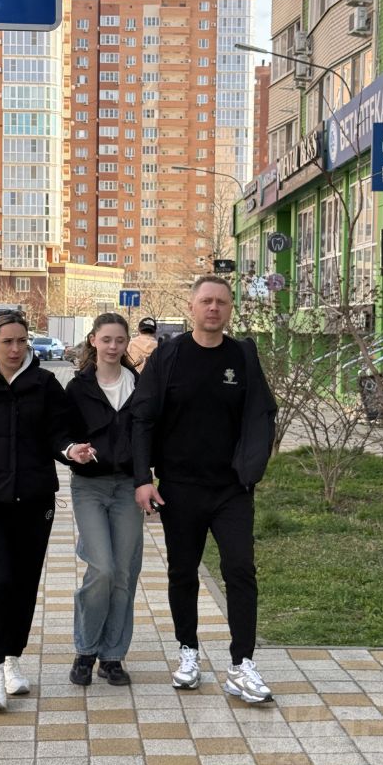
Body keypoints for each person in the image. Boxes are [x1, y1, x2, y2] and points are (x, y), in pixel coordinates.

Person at [131, 275, 277, 703]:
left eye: (222, 302)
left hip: (231, 489)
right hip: (179, 487)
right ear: (191, 307)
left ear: (230, 309)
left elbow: (263, 413)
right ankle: (188, 652)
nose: (214, 308)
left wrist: (253, 467)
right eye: (206, 301)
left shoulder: (243, 355)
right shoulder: (168, 355)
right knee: (182, 572)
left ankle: (242, 664)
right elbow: (142, 418)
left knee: (240, 569)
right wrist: (143, 478)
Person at [0, 309, 92, 711]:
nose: (15, 348)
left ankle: (12, 659)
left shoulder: (44, 384)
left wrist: (70, 450)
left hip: (35, 497)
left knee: (24, 581)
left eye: (21, 341)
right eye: (7, 341)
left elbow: (59, 433)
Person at [65, 313, 142, 687]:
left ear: (127, 344)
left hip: (128, 487)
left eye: (120, 340)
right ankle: (85, 649)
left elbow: (150, 434)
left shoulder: (138, 385)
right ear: (93, 340)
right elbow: (61, 433)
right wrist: (72, 451)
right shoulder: (78, 387)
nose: (113, 346)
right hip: (90, 488)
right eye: (106, 339)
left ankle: (112, 657)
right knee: (103, 568)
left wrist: (148, 480)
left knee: (124, 573)